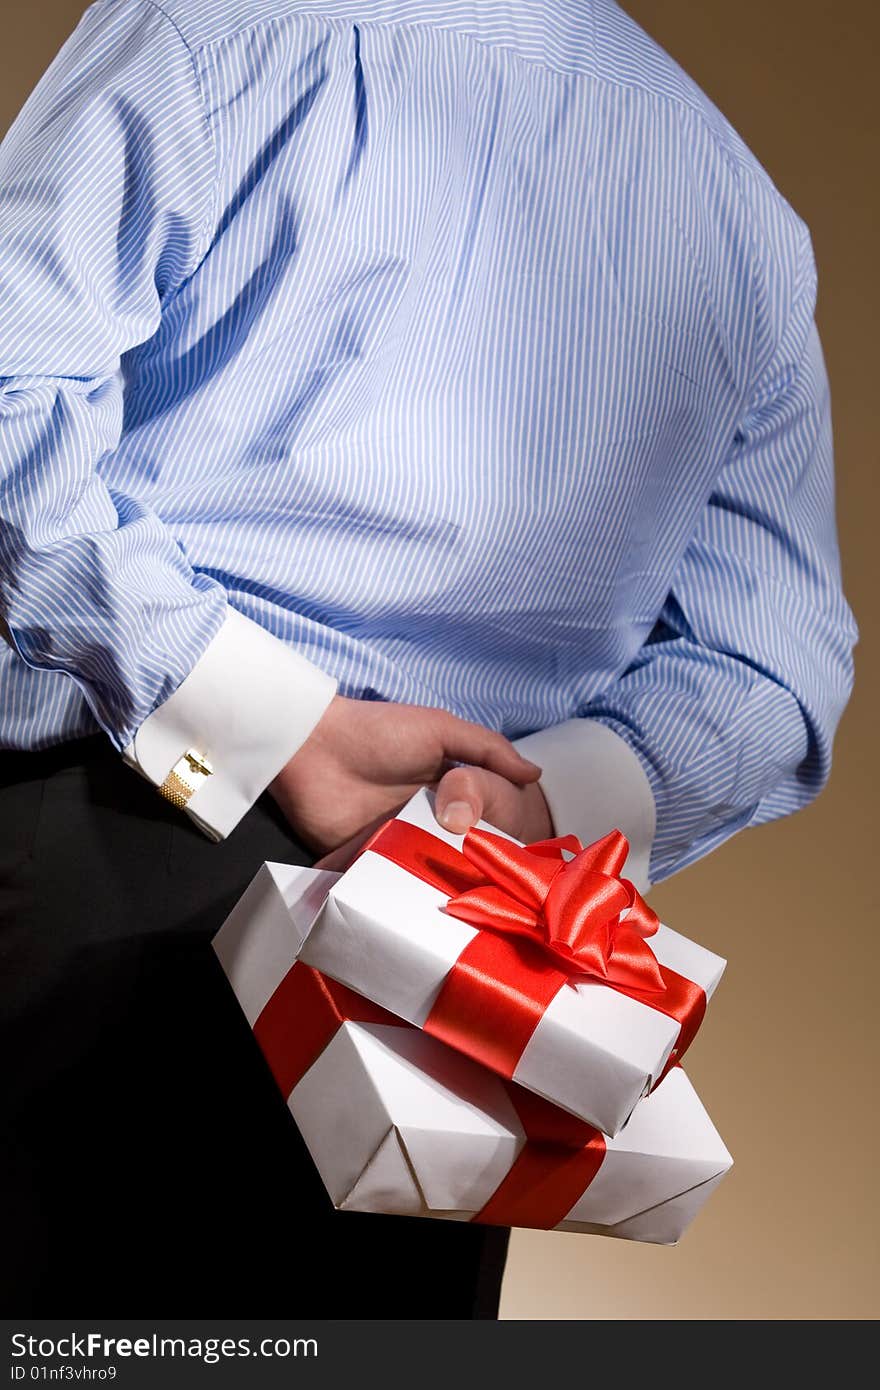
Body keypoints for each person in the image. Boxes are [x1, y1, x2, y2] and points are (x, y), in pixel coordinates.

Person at [0, 0, 857, 1318]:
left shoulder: (213, 28)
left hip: (106, 833)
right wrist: (533, 796)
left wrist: (268, 720)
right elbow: (775, 666)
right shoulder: (742, 213)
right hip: (459, 962)